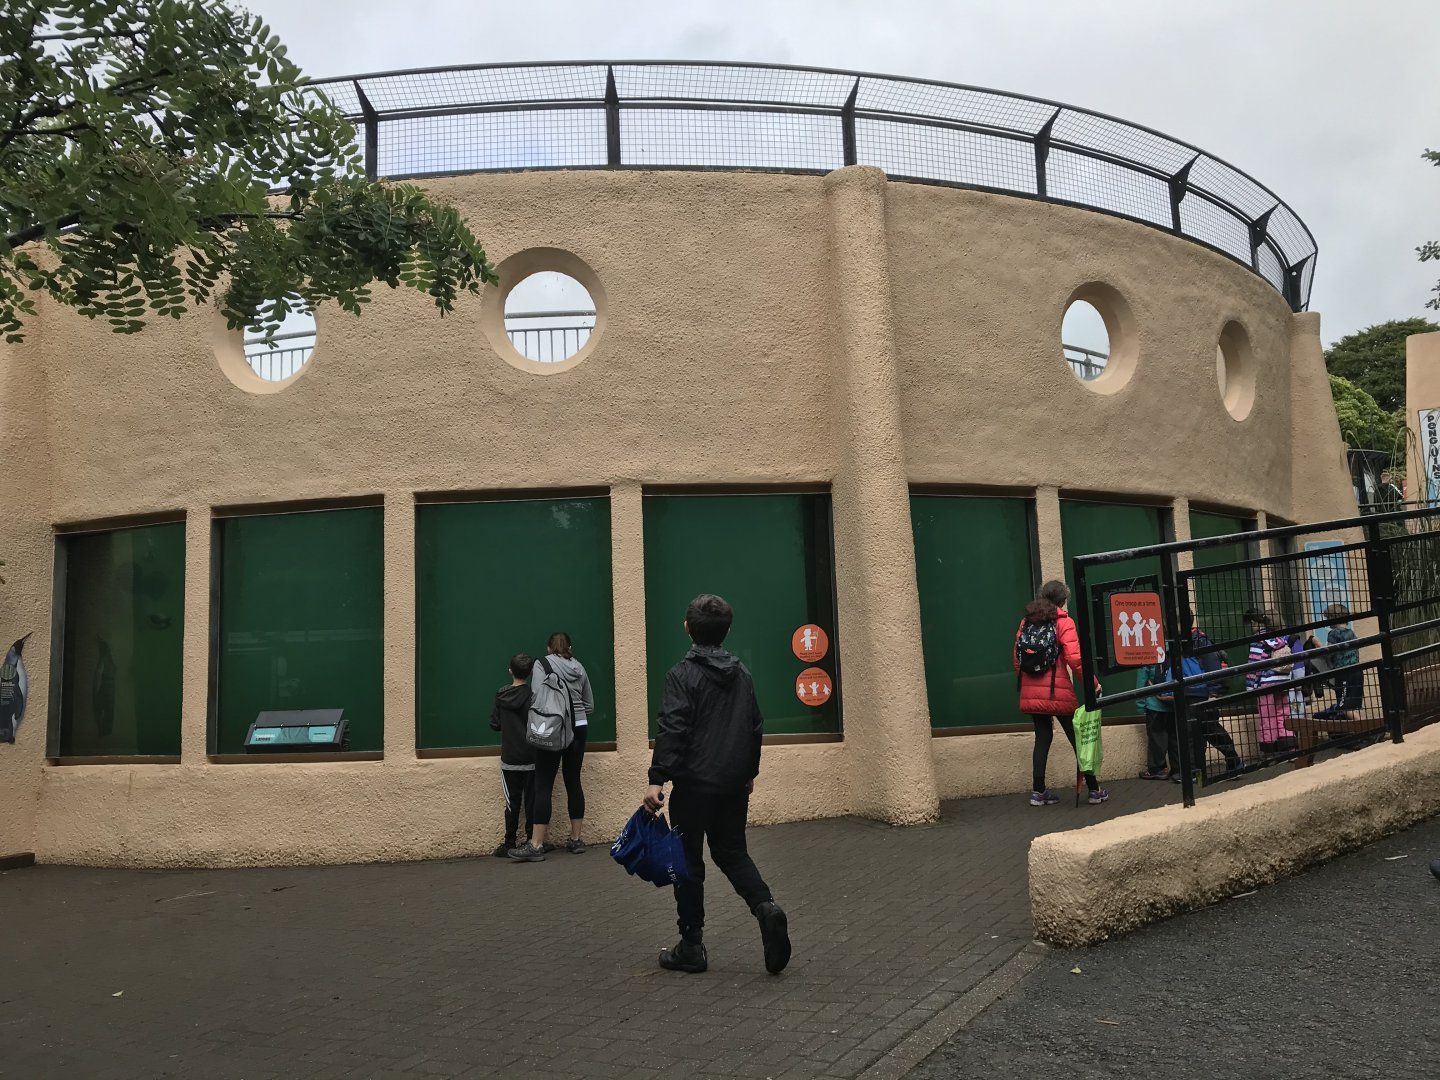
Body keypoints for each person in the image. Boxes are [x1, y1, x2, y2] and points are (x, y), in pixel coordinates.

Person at [644, 593, 791, 976]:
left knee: (688, 862)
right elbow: (754, 726)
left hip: (693, 786)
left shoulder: (681, 675)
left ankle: (691, 946)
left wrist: (657, 778)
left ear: (687, 628)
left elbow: (673, 728)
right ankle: (766, 907)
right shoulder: (742, 673)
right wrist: (749, 774)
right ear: (726, 631)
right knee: (732, 853)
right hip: (731, 784)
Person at [1013, 580, 1107, 806]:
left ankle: (1038, 791)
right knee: (1079, 738)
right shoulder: (1063, 622)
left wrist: (1031, 679)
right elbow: (1076, 660)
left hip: (1031, 691)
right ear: (1063, 600)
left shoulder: (1027, 620)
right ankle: (1094, 790)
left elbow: (1017, 660)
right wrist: (1093, 683)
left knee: (1042, 737)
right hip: (1058, 691)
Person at [539, 631, 594, 854]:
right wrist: (577, 713)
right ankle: (576, 838)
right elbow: (589, 704)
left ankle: (537, 842)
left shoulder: (542, 664)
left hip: (553, 727)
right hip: (579, 727)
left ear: (548, 647)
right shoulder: (579, 667)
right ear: (570, 648)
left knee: (543, 782)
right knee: (573, 780)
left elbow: (537, 696)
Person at [489, 653, 537, 859]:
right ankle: (530, 840)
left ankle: (509, 842)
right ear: (531, 672)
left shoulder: (501, 695)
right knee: (532, 802)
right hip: (532, 757)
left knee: (512, 804)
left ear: (510, 671)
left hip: (510, 759)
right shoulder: (534, 695)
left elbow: (494, 724)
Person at [1187, 625, 1243, 778]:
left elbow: (1212, 667)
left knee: (1210, 730)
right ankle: (1197, 772)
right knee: (1196, 734)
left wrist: (1213, 693)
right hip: (1193, 692)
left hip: (1204, 693)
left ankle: (1233, 760)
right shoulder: (1187, 641)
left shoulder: (1199, 641)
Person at [1244, 609, 1296, 753]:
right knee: (1283, 713)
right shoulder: (1277, 637)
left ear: (1254, 623)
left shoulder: (1258, 640)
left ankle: (1270, 748)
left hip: (1265, 683)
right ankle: (1289, 745)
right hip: (1282, 681)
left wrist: (1250, 686)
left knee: (1268, 716)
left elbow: (1254, 664)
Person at [1314, 603, 1363, 725]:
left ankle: (1366, 727)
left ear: (1333, 618)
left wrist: (1316, 643)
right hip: (1357, 672)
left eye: (1328, 619)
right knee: (1353, 705)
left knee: (1344, 707)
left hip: (1344, 674)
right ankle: (1362, 728)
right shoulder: (1351, 632)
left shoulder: (1334, 633)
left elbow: (1329, 653)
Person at [1136, 661, 1177, 780]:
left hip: (1155, 704)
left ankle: (1157, 769)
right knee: (1174, 738)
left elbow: (1142, 679)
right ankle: (1177, 770)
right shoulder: (1174, 649)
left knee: (1156, 738)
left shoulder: (1148, 653)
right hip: (1174, 703)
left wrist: (1140, 704)